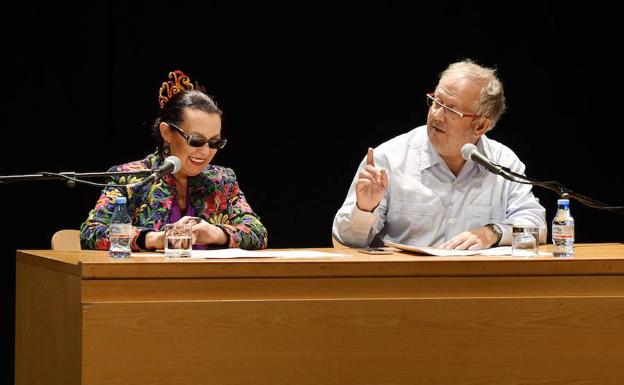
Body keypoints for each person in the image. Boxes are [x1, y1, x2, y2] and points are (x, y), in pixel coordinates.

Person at [333, 60, 546, 250]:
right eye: (436, 102)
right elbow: (345, 243)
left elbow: (536, 226)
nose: (437, 115)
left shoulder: (503, 164)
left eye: (451, 110)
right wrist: (365, 208)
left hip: (476, 286)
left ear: (480, 125)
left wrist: (493, 233)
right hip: (403, 285)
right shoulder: (388, 159)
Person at [81, 70, 267, 250]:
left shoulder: (222, 180)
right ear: (166, 132)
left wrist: (217, 234)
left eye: (214, 142)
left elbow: (258, 232)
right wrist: (155, 239)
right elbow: (91, 233)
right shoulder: (130, 177)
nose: (205, 151)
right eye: (196, 140)